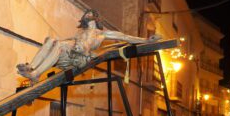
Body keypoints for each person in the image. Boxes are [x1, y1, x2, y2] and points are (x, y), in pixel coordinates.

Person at [17, 9, 161, 82]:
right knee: (51, 40)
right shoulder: (80, 32)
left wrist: (147, 40)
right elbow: (68, 42)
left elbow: (126, 37)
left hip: (80, 59)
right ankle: (32, 68)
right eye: (87, 14)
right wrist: (55, 43)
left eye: (91, 14)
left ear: (96, 18)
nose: (88, 15)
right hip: (69, 56)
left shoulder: (101, 34)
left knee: (59, 45)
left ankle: (36, 74)